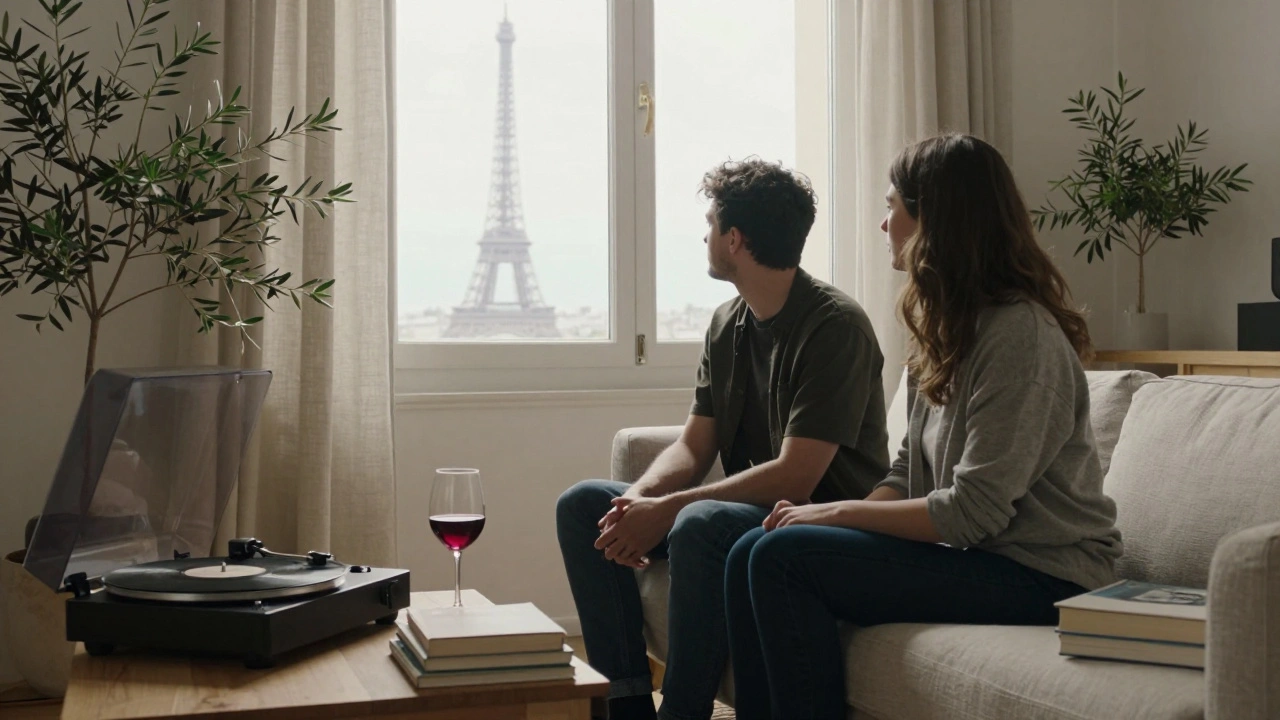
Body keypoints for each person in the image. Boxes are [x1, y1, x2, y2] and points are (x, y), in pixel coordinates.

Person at [723, 134, 1124, 720]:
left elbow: (972, 511)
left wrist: (833, 514)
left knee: (786, 555)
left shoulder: (1020, 337)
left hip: (1046, 576)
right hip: (984, 558)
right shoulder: (950, 327)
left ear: (935, 219)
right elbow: (912, 468)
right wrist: (840, 525)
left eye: (893, 208)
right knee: (752, 548)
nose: (883, 225)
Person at [556, 158, 891, 720]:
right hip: (754, 515)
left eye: (710, 224)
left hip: (813, 520)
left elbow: (796, 477)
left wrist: (670, 509)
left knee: (700, 523)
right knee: (584, 505)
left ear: (734, 239)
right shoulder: (725, 323)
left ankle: (682, 711)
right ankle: (627, 705)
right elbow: (694, 445)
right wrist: (639, 501)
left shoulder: (836, 328)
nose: (705, 235)